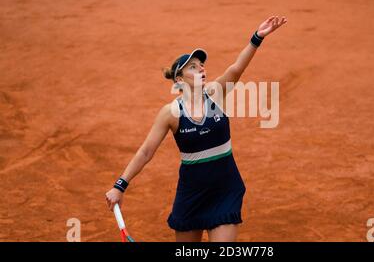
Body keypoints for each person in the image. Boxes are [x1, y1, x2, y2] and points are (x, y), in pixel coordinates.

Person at [105, 16, 287, 242]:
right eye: (193, 66)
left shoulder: (216, 93)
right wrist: (120, 186)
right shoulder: (171, 112)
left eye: (201, 65)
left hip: (225, 189)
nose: (201, 68)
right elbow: (145, 152)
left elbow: (236, 68)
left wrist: (257, 37)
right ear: (179, 79)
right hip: (191, 195)